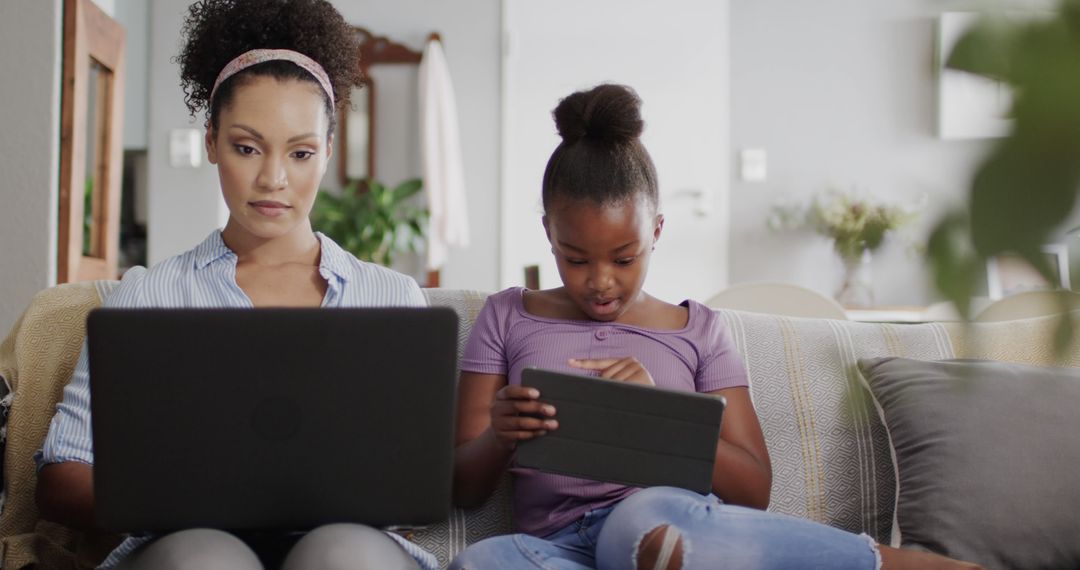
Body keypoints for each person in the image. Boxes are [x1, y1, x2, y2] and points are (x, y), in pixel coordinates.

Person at [448, 84, 981, 570]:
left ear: (656, 231)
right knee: (481, 561)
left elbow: (753, 489)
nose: (601, 282)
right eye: (576, 259)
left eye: (625, 258)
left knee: (637, 526)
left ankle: (896, 565)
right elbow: (464, 487)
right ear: (549, 233)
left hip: (661, 526)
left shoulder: (698, 329)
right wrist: (499, 434)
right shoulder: (507, 315)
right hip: (554, 547)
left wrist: (658, 420)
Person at [35, 1, 435, 569]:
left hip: (347, 545)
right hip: (186, 543)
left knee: (343, 555)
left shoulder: (394, 299)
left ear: (326, 153)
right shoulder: (150, 296)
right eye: (247, 147)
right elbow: (59, 479)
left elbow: (417, 485)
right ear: (211, 142)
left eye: (300, 153)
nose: (273, 178)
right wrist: (183, 501)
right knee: (206, 558)